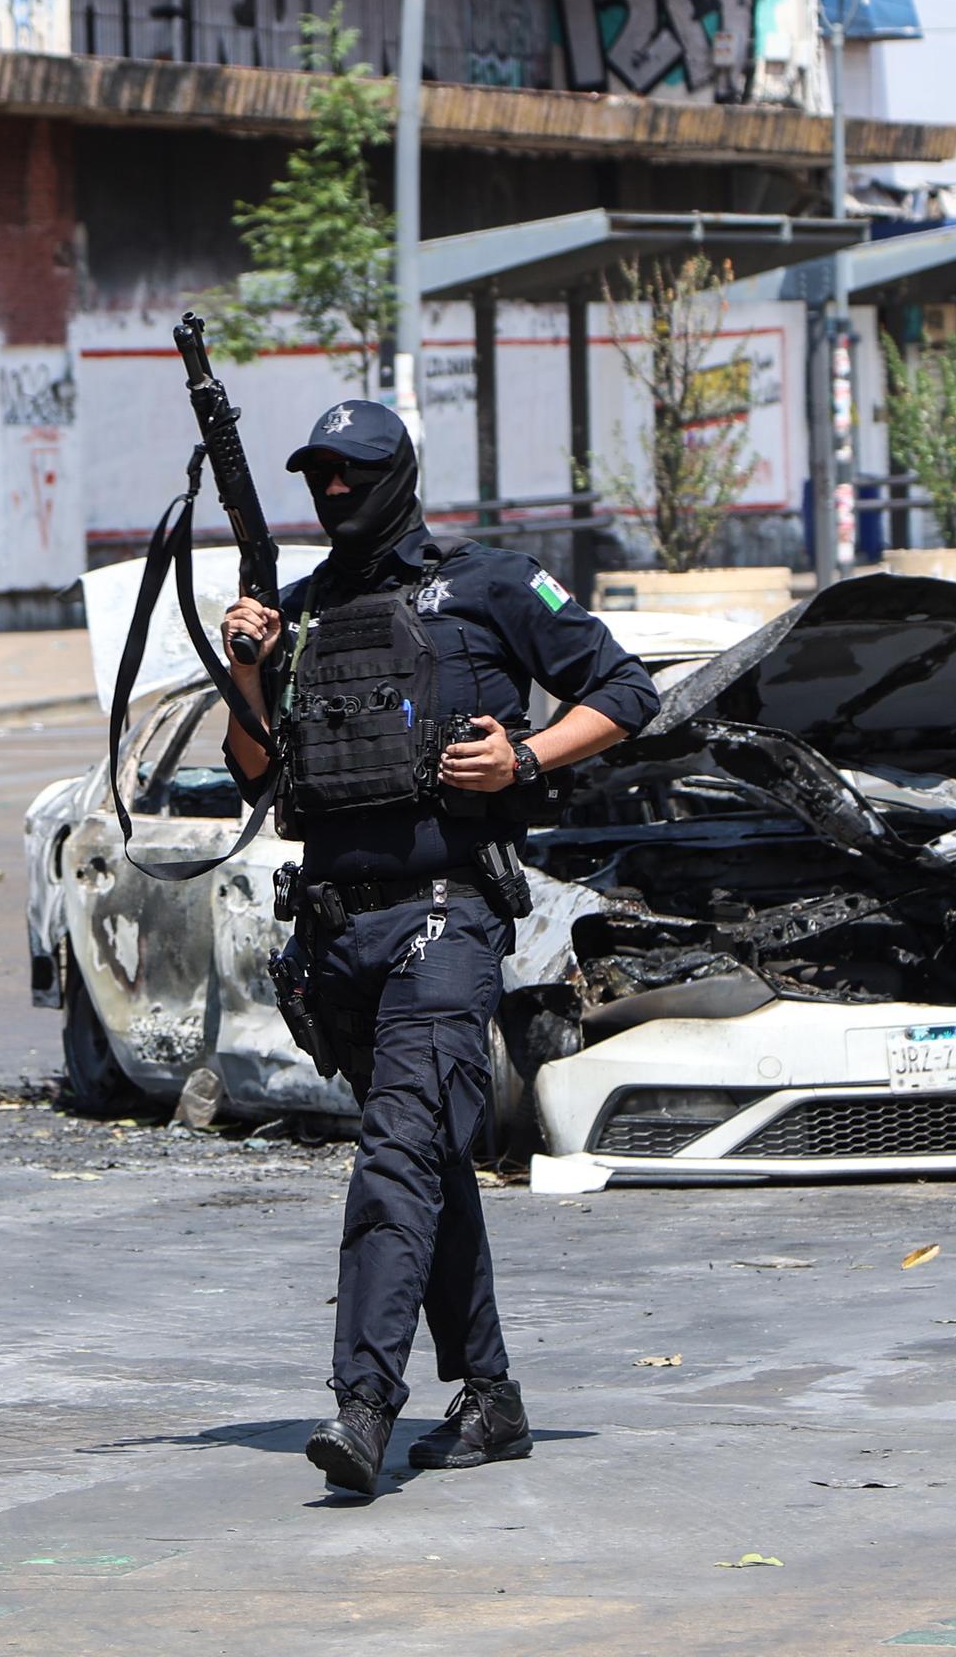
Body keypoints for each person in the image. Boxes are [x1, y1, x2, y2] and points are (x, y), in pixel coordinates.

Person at [220, 398, 661, 1496]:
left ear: (396, 475)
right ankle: (493, 1396)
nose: (330, 492)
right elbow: (253, 773)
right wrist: (244, 668)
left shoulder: (495, 585)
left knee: (396, 1160)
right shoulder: (301, 614)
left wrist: (527, 759)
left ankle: (363, 1404)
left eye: (349, 473)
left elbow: (628, 690)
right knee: (424, 1164)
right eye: (314, 473)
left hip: (445, 918)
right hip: (335, 934)